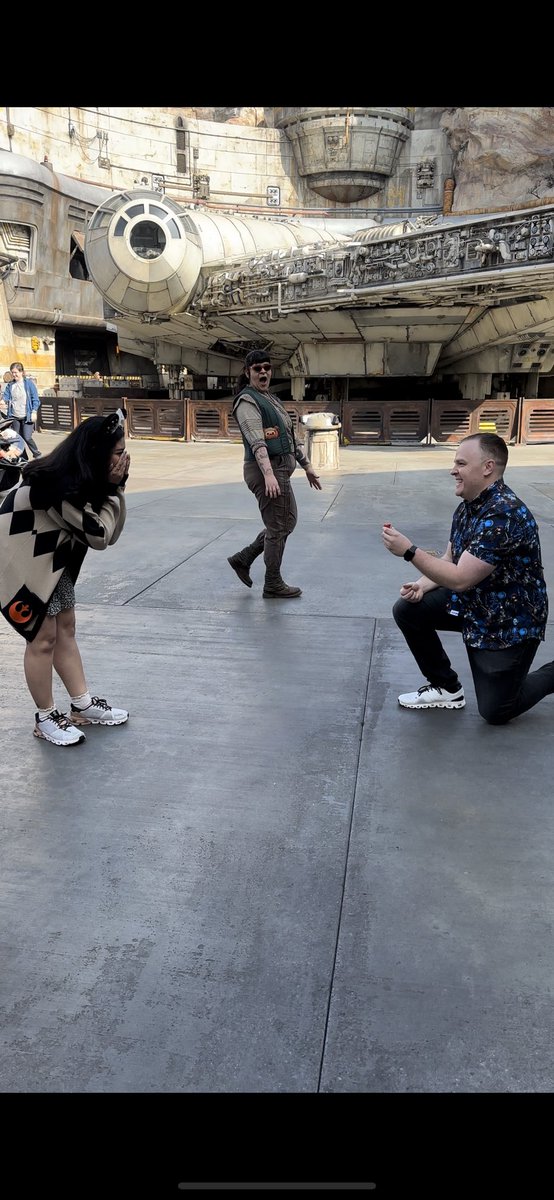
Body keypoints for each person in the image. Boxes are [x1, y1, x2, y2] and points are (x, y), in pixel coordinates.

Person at [382, 432, 554, 725]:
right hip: (476, 605)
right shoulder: (469, 506)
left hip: (509, 621)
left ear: (487, 467)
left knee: (496, 711)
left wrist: (409, 551)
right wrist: (421, 586)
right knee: (409, 609)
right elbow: (452, 558)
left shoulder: (504, 514)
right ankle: (446, 688)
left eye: (461, 463)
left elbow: (461, 578)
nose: (453, 470)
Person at [0, 409, 131, 746]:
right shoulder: (55, 486)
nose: (124, 459)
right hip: (15, 562)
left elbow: (104, 532)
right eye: (118, 453)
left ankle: (82, 705)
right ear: (97, 455)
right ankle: (45, 717)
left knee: (65, 627)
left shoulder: (80, 480)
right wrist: (115, 488)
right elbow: (99, 534)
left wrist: (111, 488)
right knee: (41, 637)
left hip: (48, 562)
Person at [228, 349, 322, 598]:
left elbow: (289, 437)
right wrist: (268, 474)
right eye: (257, 368)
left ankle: (243, 558)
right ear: (248, 372)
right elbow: (257, 441)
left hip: (280, 469)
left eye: (267, 368)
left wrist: (307, 466)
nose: (263, 372)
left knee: (286, 522)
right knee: (278, 526)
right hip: (266, 471)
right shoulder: (247, 401)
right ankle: (272, 583)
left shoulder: (270, 398)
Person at [2, 361, 42, 459]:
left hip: (27, 416)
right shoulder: (10, 385)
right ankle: (23, 457)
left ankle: (37, 454)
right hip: (14, 416)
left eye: (16, 372)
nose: (14, 374)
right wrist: (3, 401)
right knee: (17, 439)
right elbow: (6, 397)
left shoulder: (29, 384)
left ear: (21, 372)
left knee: (27, 437)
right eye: (12, 372)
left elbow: (35, 399)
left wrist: (34, 411)